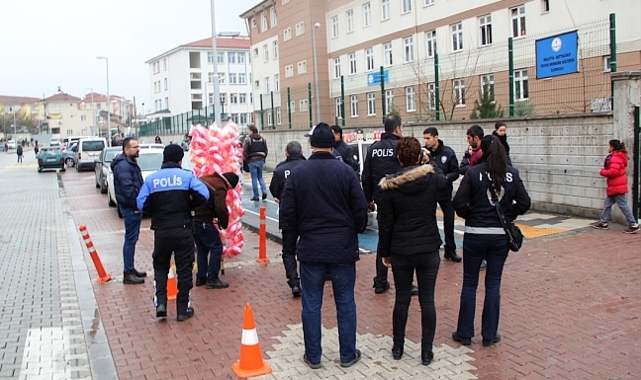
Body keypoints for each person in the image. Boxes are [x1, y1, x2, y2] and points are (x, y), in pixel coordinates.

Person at [279, 123, 368, 369]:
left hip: (311, 246)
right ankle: (348, 354)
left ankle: (314, 355)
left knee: (311, 303)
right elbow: (360, 209)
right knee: (345, 301)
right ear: (332, 144)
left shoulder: (298, 173)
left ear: (311, 145)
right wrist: (353, 230)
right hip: (342, 246)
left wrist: (294, 240)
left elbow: (287, 214)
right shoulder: (346, 172)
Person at [452, 135, 531, 347]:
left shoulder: (473, 172)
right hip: (500, 236)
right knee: (493, 284)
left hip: (475, 233)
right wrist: (507, 215)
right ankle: (489, 334)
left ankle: (465, 332)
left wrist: (470, 214)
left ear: (483, 151)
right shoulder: (511, 174)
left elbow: (458, 202)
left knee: (470, 283)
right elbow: (525, 202)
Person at [378, 137, 447, 366]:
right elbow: (444, 180)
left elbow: (385, 224)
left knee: (402, 299)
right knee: (428, 301)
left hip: (401, 248)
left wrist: (385, 252)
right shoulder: (431, 178)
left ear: (398, 158)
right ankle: (426, 352)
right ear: (419, 157)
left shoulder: (389, 185)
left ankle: (398, 347)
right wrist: (429, 161)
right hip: (428, 246)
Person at [136, 144, 209, 321]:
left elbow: (140, 203)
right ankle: (182, 310)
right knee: (184, 269)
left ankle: (161, 303)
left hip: (161, 231)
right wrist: (191, 205)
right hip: (183, 229)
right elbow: (204, 194)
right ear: (179, 159)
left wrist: (153, 211)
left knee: (161, 266)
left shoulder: (152, 179)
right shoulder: (187, 177)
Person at [362, 115, 417, 295]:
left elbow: (367, 176)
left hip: (382, 199)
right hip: (402, 199)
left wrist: (368, 199)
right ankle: (406, 284)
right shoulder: (401, 147)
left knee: (384, 240)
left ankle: (380, 281)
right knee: (404, 240)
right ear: (398, 129)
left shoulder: (374, 148)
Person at [269, 141, 307, 297]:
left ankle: (294, 282)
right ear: (302, 151)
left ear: (286, 153)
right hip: (308, 214)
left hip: (288, 214)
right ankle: (310, 279)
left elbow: (274, 191)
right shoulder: (310, 168)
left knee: (288, 250)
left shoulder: (279, 171)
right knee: (308, 247)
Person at [194, 172, 240, 289]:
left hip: (194, 219)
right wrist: (224, 224)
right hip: (204, 219)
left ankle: (201, 277)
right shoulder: (220, 186)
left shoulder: (205, 178)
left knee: (202, 249)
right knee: (216, 247)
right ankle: (212, 278)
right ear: (229, 183)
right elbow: (220, 208)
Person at [423, 127, 462, 262]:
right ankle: (432, 249)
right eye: (424, 138)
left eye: (428, 138)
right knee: (429, 221)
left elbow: (456, 172)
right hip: (429, 193)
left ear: (436, 138)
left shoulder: (448, 153)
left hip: (444, 192)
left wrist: (445, 179)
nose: (426, 141)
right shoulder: (423, 153)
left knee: (449, 221)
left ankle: (450, 249)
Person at [111, 138, 146, 285]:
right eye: (135, 147)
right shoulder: (124, 166)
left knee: (132, 238)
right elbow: (128, 189)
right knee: (130, 239)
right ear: (126, 149)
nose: (138, 149)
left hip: (133, 206)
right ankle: (128, 272)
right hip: (131, 207)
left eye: (138, 146)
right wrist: (137, 205)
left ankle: (130, 269)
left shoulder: (129, 163)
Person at [592, 140, 639, 234]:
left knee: (623, 205)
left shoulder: (615, 157)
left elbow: (614, 172)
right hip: (615, 185)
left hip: (617, 185)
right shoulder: (617, 156)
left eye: (608, 145)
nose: (607, 147)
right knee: (607, 204)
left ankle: (633, 224)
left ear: (612, 147)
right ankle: (603, 222)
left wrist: (602, 171)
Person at [243, 125, 268, 201]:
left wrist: (246, 158)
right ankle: (264, 190)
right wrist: (263, 158)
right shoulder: (262, 139)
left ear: (252, 131)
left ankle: (256, 196)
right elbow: (265, 150)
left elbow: (244, 150)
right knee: (260, 176)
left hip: (252, 160)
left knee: (254, 178)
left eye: (248, 130)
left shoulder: (248, 140)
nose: (248, 132)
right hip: (261, 160)